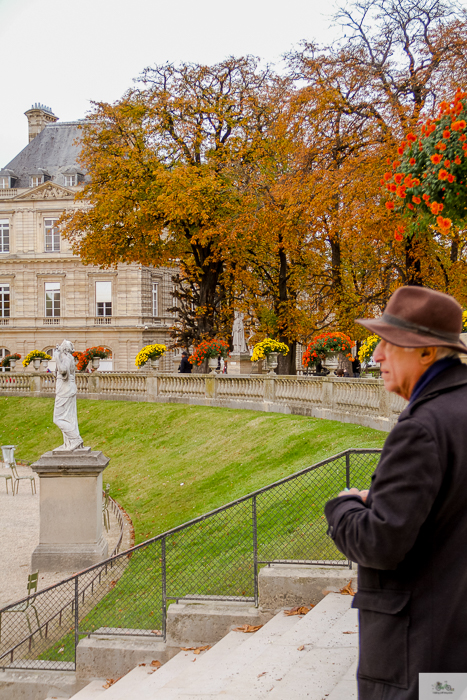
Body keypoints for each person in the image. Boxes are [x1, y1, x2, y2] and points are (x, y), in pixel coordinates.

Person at [324, 286, 467, 700]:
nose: (377, 356)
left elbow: (379, 542)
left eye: (390, 343)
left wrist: (344, 506)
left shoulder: (422, 429)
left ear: (425, 353)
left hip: (417, 655)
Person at [53, 339, 83, 451]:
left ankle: (74, 439)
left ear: (63, 348)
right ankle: (68, 443)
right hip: (68, 388)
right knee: (69, 417)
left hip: (64, 390)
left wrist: (56, 357)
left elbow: (63, 370)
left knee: (58, 418)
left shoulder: (65, 357)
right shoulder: (69, 357)